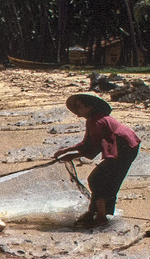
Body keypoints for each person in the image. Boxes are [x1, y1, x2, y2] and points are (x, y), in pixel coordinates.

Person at [52, 92, 140, 228]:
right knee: (102, 180)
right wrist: (67, 150)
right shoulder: (92, 120)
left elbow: (95, 145)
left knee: (98, 179)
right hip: (124, 146)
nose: (77, 110)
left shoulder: (97, 121)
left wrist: (73, 155)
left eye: (80, 106)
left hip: (125, 148)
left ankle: (100, 216)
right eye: (76, 107)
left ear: (90, 107)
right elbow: (87, 142)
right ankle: (95, 212)